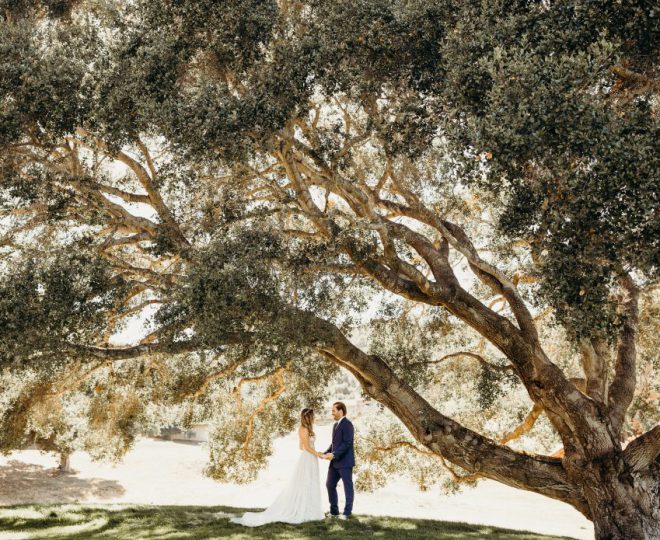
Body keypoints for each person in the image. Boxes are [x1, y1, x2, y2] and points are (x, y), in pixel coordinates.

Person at [230, 408, 325, 526]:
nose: (314, 418)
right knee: (305, 483)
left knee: (311, 482)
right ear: (308, 417)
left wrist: (314, 452)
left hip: (311, 458)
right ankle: (302, 510)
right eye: (312, 416)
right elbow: (305, 447)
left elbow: (300, 447)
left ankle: (310, 510)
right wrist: (318, 454)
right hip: (308, 459)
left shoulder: (308, 429)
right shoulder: (304, 429)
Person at [321, 401, 355, 519]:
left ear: (340, 411)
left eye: (333, 411)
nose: (332, 413)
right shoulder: (335, 425)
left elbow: (347, 443)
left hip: (345, 462)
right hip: (334, 463)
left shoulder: (348, 424)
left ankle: (347, 513)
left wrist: (334, 454)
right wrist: (325, 453)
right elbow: (334, 444)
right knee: (329, 484)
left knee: (347, 487)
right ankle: (334, 512)